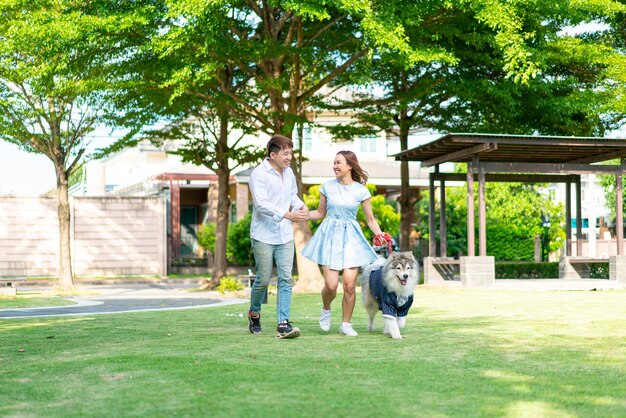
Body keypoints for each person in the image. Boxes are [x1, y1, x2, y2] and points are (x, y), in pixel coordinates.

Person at [301, 151, 385, 337]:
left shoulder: (361, 191)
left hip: (351, 239)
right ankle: (326, 308)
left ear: (350, 165)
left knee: (349, 284)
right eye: (334, 162)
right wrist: (304, 214)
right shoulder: (327, 187)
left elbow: (370, 220)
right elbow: (320, 213)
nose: (335, 166)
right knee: (331, 286)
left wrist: (379, 235)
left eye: (338, 162)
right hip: (329, 236)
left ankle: (345, 324)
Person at [247, 135, 309, 339]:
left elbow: (292, 196)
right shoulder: (258, 174)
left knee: (285, 278)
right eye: (286, 153)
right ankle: (254, 313)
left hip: (284, 235)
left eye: (291, 153)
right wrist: (287, 214)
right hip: (263, 235)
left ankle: (283, 323)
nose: (289, 157)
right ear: (272, 155)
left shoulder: (289, 173)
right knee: (263, 279)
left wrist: (301, 206)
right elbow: (261, 204)